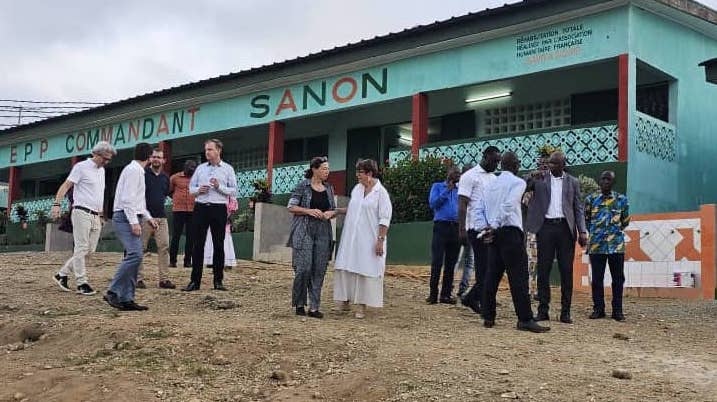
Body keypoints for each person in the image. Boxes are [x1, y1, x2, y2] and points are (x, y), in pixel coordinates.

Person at [481, 152, 550, 333]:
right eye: (518, 162)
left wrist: (489, 226)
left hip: (494, 232)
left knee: (492, 275)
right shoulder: (518, 183)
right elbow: (510, 205)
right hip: (510, 232)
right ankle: (525, 318)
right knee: (518, 277)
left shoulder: (491, 184)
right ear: (514, 165)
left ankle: (488, 316)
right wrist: (495, 224)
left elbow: (485, 207)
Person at [525, 151, 587, 324]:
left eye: (554, 163)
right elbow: (524, 185)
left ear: (562, 165)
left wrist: (582, 231)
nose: (550, 166)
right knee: (543, 270)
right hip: (545, 228)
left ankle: (565, 312)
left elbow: (578, 208)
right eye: (549, 163)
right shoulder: (540, 178)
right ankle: (543, 310)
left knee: (566, 271)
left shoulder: (573, 182)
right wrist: (531, 176)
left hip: (565, 229)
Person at [50, 141, 116, 296]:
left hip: (95, 214)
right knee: (81, 248)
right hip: (81, 211)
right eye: (104, 158)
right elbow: (66, 186)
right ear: (96, 154)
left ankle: (61, 274)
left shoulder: (102, 171)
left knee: (89, 250)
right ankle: (82, 282)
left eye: (109, 159)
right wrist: (56, 204)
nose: (106, 162)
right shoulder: (81, 167)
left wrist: (100, 215)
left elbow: (99, 194)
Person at [333, 159, 392, 319]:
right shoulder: (357, 189)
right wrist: (337, 211)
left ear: (369, 174)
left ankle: (361, 305)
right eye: (357, 171)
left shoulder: (381, 193)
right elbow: (354, 208)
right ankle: (344, 300)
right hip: (351, 236)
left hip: (370, 238)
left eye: (360, 172)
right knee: (346, 265)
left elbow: (385, 218)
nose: (357, 175)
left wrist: (380, 240)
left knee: (365, 268)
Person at [103, 143, 157, 311]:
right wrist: (134, 222)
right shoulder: (134, 171)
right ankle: (113, 290)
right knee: (135, 254)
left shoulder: (135, 170)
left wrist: (148, 217)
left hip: (131, 215)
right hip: (125, 217)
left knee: (136, 255)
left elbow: (138, 202)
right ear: (149, 157)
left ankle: (127, 298)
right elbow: (128, 200)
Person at [182, 139, 237, 292]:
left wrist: (220, 187)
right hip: (201, 207)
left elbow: (233, 191)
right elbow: (191, 188)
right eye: (206, 149)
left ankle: (218, 281)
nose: (207, 152)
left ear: (219, 150)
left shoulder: (228, 169)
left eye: (210, 149)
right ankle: (194, 281)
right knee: (197, 245)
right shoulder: (200, 169)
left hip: (218, 208)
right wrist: (199, 189)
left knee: (219, 244)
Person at [287, 156, 337, 319]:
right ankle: (300, 303)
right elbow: (291, 207)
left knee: (319, 269)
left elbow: (333, 209)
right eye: (324, 168)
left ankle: (314, 307)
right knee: (304, 267)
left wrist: (331, 213)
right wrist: (309, 211)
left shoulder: (329, 188)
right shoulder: (302, 186)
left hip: (323, 230)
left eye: (328, 169)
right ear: (314, 169)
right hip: (304, 229)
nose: (327, 172)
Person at [457, 146, 501, 314]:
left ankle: (472, 298)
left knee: (490, 268)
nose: (496, 164)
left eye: (498, 162)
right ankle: (478, 299)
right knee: (485, 268)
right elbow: (462, 204)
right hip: (475, 229)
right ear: (485, 156)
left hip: (490, 229)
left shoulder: (494, 179)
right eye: (494, 160)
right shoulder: (469, 176)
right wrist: (461, 229)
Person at [584, 171, 630, 321]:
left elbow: (625, 221)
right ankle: (598, 309)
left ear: (613, 182)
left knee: (618, 279)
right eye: (603, 178)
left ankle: (617, 311)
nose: (605, 181)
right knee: (597, 279)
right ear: (599, 181)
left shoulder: (622, 200)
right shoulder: (590, 199)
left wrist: (613, 233)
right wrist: (597, 233)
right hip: (597, 246)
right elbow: (587, 220)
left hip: (616, 246)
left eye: (608, 179)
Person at [137, 148, 175, 289]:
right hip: (144, 217)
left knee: (164, 247)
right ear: (150, 158)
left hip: (161, 217)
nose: (156, 159)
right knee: (140, 248)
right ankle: (138, 278)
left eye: (159, 157)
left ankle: (164, 279)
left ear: (163, 160)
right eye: (154, 157)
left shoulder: (166, 178)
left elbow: (165, 194)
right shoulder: (142, 174)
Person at [426, 166, 461, 304]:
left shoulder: (460, 190)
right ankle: (433, 294)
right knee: (437, 262)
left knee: (451, 263)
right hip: (441, 227)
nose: (457, 175)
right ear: (448, 174)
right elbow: (433, 204)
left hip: (455, 227)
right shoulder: (438, 186)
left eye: (458, 174)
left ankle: (445, 294)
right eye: (455, 173)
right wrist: (447, 190)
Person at [169, 160, 197, 268]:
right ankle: (173, 261)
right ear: (184, 167)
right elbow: (169, 191)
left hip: (192, 210)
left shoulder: (197, 179)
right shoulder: (174, 178)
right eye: (190, 167)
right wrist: (176, 198)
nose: (192, 169)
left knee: (191, 237)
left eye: (194, 167)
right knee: (176, 235)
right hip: (178, 210)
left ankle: (187, 261)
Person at [456, 164, 475, 298]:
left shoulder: (475, 189)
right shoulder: (456, 188)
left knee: (469, 261)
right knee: (456, 260)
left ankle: (463, 289)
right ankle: (448, 288)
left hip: (472, 229)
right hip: (460, 228)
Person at [203, 195, 238, 269]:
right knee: (212, 236)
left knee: (225, 239)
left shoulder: (229, 192)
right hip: (213, 215)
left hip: (225, 217)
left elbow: (233, 205)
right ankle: (211, 261)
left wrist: (228, 216)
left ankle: (227, 261)